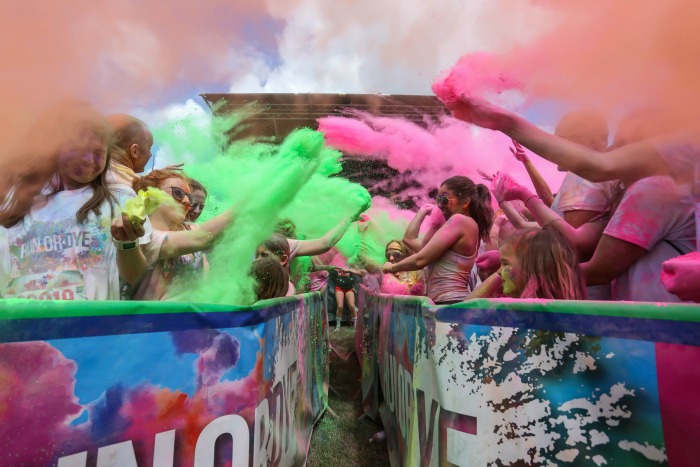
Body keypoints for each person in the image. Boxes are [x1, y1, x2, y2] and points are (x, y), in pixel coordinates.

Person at [446, 96, 700, 301]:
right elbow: (560, 232)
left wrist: (519, 270)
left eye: (627, 144)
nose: (618, 151)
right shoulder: (641, 190)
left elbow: (583, 253)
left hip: (658, 334)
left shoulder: (653, 189)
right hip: (644, 327)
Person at [0, 102, 149, 300]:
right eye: (79, 149)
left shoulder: (120, 201)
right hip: (25, 327)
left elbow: (136, 279)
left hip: (88, 328)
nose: (88, 159)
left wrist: (127, 243)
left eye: (98, 153)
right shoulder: (16, 203)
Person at [383, 176, 493, 304]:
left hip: (450, 303)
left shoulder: (460, 221)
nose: (440, 205)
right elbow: (410, 241)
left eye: (445, 200)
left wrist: (392, 268)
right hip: (448, 303)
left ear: (465, 202)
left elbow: (420, 260)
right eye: (438, 200)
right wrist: (422, 214)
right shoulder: (466, 224)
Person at [130, 169, 235, 300]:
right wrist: (250, 202)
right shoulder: (142, 234)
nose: (187, 201)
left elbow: (205, 280)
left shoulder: (190, 228)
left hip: (189, 318)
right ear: (150, 195)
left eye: (189, 197)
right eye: (178, 193)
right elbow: (204, 238)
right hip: (152, 319)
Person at [468, 227, 586, 300]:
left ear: (532, 269)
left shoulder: (517, 310)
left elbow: (463, 310)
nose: (499, 272)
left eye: (505, 263)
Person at [106, 114, 154, 188]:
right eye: (149, 148)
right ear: (134, 151)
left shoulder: (93, 174)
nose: (150, 155)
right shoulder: (139, 188)